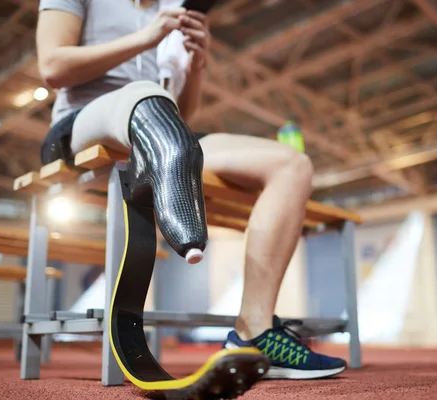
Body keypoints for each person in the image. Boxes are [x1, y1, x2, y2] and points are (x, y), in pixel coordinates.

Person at [36, 0, 346, 380]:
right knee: (146, 99)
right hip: (83, 123)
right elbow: (52, 67)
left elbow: (183, 113)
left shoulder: (170, 7)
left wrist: (194, 66)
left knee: (291, 165)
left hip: (159, 127)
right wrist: (146, 37)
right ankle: (175, 195)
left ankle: (254, 331)